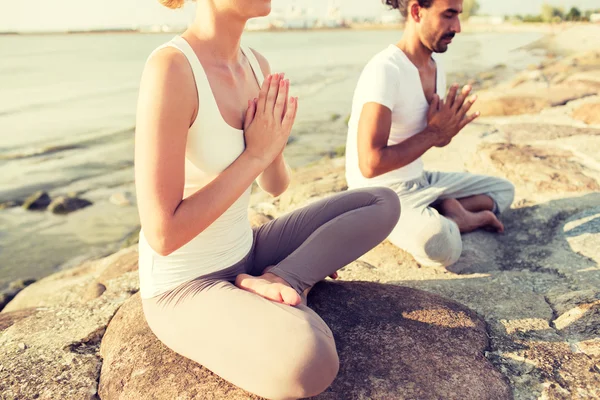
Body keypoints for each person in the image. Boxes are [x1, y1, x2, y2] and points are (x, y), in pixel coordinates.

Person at [134, 0, 401, 398]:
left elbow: (275, 186)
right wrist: (254, 154)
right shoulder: (172, 69)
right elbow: (163, 234)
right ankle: (274, 289)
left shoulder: (255, 64)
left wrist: (273, 146)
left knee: (381, 202)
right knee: (311, 363)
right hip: (185, 284)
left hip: (248, 249)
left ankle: (282, 278)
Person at [344, 0, 515, 268]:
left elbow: (433, 138)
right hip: (380, 195)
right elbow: (370, 164)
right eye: (448, 15)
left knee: (503, 190)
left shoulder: (436, 67)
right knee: (439, 245)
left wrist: (445, 131)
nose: (457, 27)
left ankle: (445, 210)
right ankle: (459, 219)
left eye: (458, 16)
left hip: (420, 180)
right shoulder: (385, 69)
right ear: (416, 11)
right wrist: (435, 133)